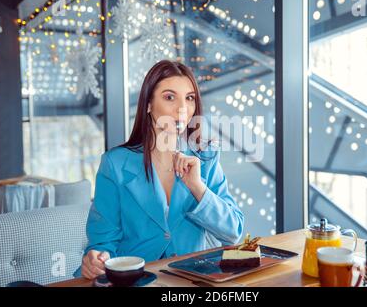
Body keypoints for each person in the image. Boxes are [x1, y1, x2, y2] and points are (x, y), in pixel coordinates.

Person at [78, 60, 244, 280]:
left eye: (189, 98)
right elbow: (103, 241)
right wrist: (97, 257)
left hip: (191, 281)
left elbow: (233, 233)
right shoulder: (115, 164)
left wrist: (197, 187)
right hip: (136, 280)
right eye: (169, 97)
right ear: (148, 104)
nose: (182, 108)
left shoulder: (206, 157)